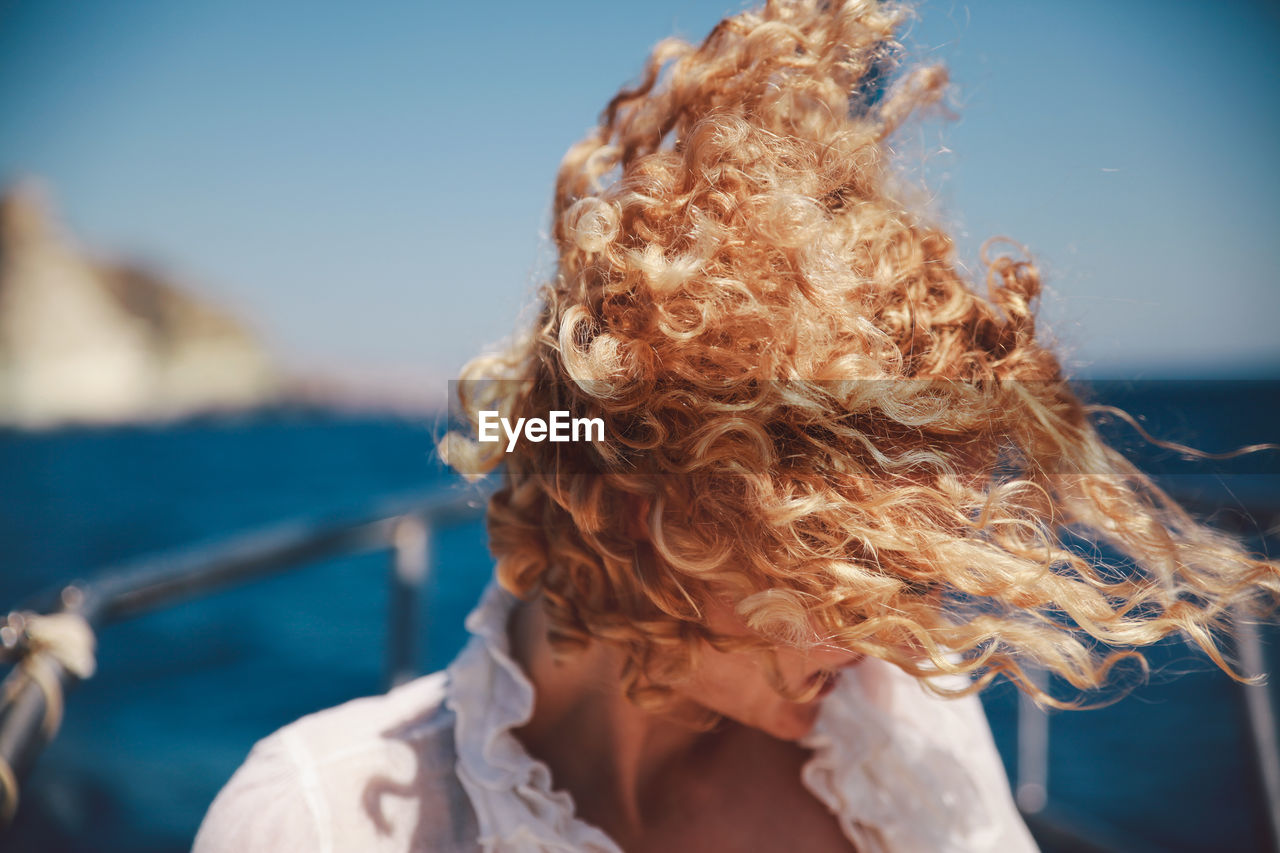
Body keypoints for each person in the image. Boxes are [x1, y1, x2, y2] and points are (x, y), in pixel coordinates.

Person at [192, 1, 1279, 850]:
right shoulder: (320, 823)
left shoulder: (892, 726)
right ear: (635, 509)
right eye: (834, 559)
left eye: (901, 564)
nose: (889, 628)